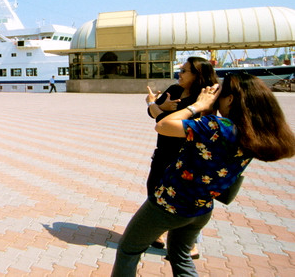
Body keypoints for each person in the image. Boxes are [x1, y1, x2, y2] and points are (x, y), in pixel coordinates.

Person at [112, 72, 295, 276]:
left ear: (231, 99)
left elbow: (163, 126)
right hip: (201, 209)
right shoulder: (252, 131)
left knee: (128, 250)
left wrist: (197, 106)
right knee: (181, 258)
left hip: (169, 205)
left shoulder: (215, 126)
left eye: (220, 95)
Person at [145, 57, 218, 254]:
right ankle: (157, 234)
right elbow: (154, 115)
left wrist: (155, 106)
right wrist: (158, 107)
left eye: (185, 70)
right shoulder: (174, 90)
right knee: (154, 189)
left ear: (197, 75)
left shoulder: (205, 99)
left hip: (188, 157)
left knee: (185, 197)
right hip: (163, 152)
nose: (180, 72)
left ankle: (189, 243)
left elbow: (167, 124)